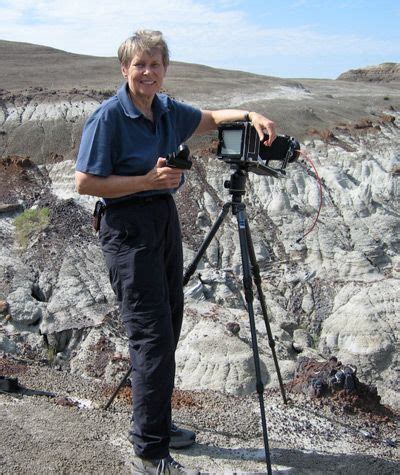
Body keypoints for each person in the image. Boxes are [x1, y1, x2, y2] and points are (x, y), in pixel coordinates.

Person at [75, 29, 276, 475]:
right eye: (140, 64)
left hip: (162, 220)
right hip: (126, 227)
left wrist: (250, 114)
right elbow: (84, 182)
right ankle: (150, 451)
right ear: (124, 69)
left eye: (156, 64)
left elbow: (210, 117)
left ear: (165, 70)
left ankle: (158, 426)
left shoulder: (166, 109)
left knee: (170, 321)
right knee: (151, 337)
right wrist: (146, 181)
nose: (148, 72)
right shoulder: (108, 117)